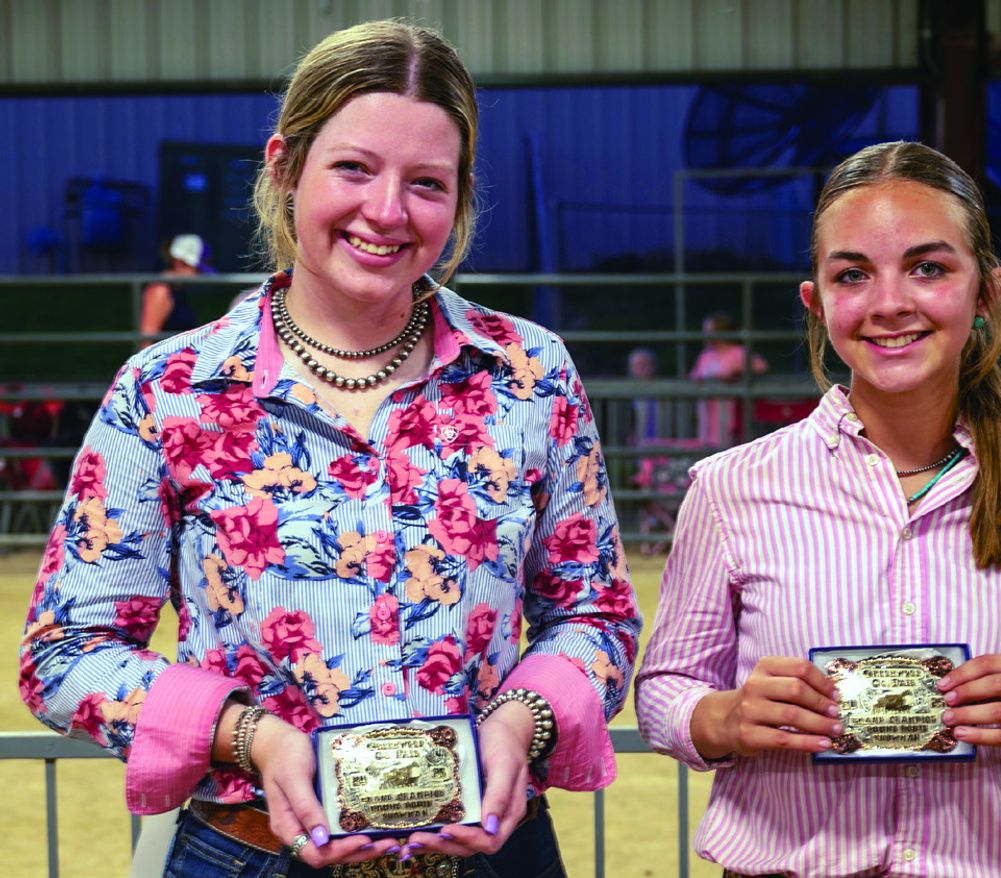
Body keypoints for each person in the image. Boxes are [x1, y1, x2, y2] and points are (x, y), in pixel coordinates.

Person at [21, 20, 640, 878]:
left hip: (495, 855)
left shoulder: (531, 374)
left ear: (460, 199)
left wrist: (519, 722)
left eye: (427, 183)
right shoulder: (169, 390)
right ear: (284, 167)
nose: (386, 211)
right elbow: (67, 651)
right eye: (353, 168)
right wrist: (251, 736)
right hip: (252, 855)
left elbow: (596, 618)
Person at [635, 141, 1001, 877]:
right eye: (853, 275)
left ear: (987, 292)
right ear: (817, 302)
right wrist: (723, 718)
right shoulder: (730, 488)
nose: (890, 303)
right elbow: (664, 690)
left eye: (928, 268)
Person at [689, 311, 769, 446]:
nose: (705, 335)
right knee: (707, 443)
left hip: (730, 410)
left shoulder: (738, 352)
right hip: (707, 411)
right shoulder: (706, 355)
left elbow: (761, 367)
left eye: (709, 331)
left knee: (728, 443)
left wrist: (737, 374)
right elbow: (694, 376)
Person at [139, 233, 210, 343]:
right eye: (197, 269)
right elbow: (146, 340)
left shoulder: (178, 290)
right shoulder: (160, 290)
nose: (200, 274)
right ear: (179, 263)